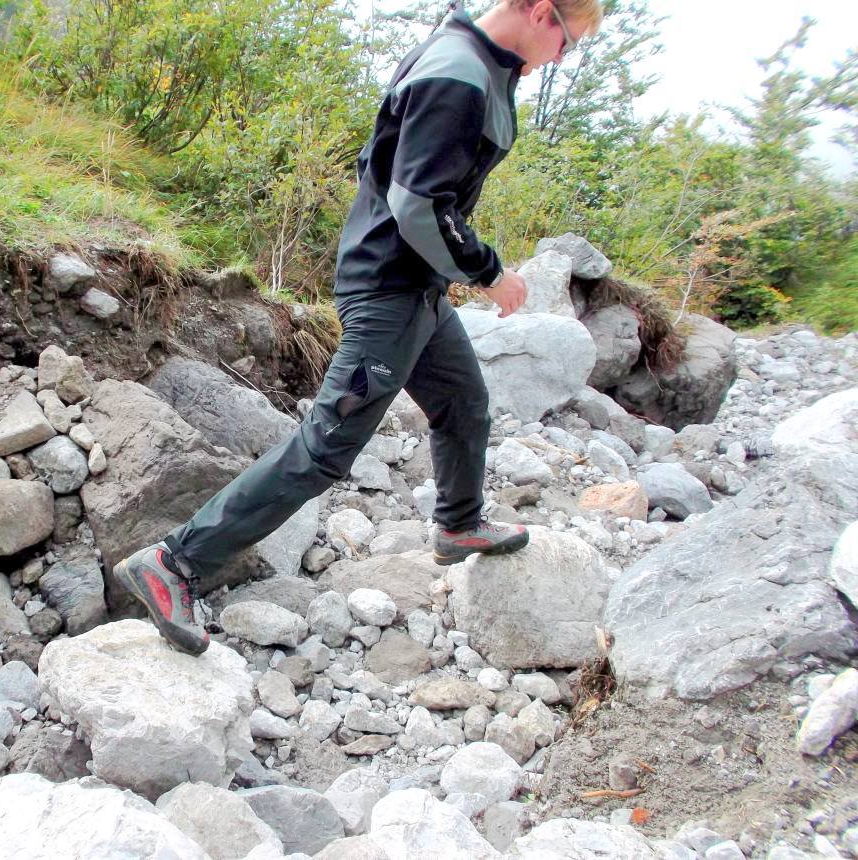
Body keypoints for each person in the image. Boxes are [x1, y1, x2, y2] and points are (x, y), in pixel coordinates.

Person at [116, 0, 604, 655]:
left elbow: (380, 163)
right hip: (388, 290)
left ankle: (459, 524)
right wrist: (489, 272)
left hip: (416, 288)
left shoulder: (475, 61)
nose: (562, 58)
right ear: (542, 13)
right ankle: (173, 563)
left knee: (464, 402)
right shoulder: (457, 72)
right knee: (325, 448)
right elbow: (418, 202)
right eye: (569, 43)